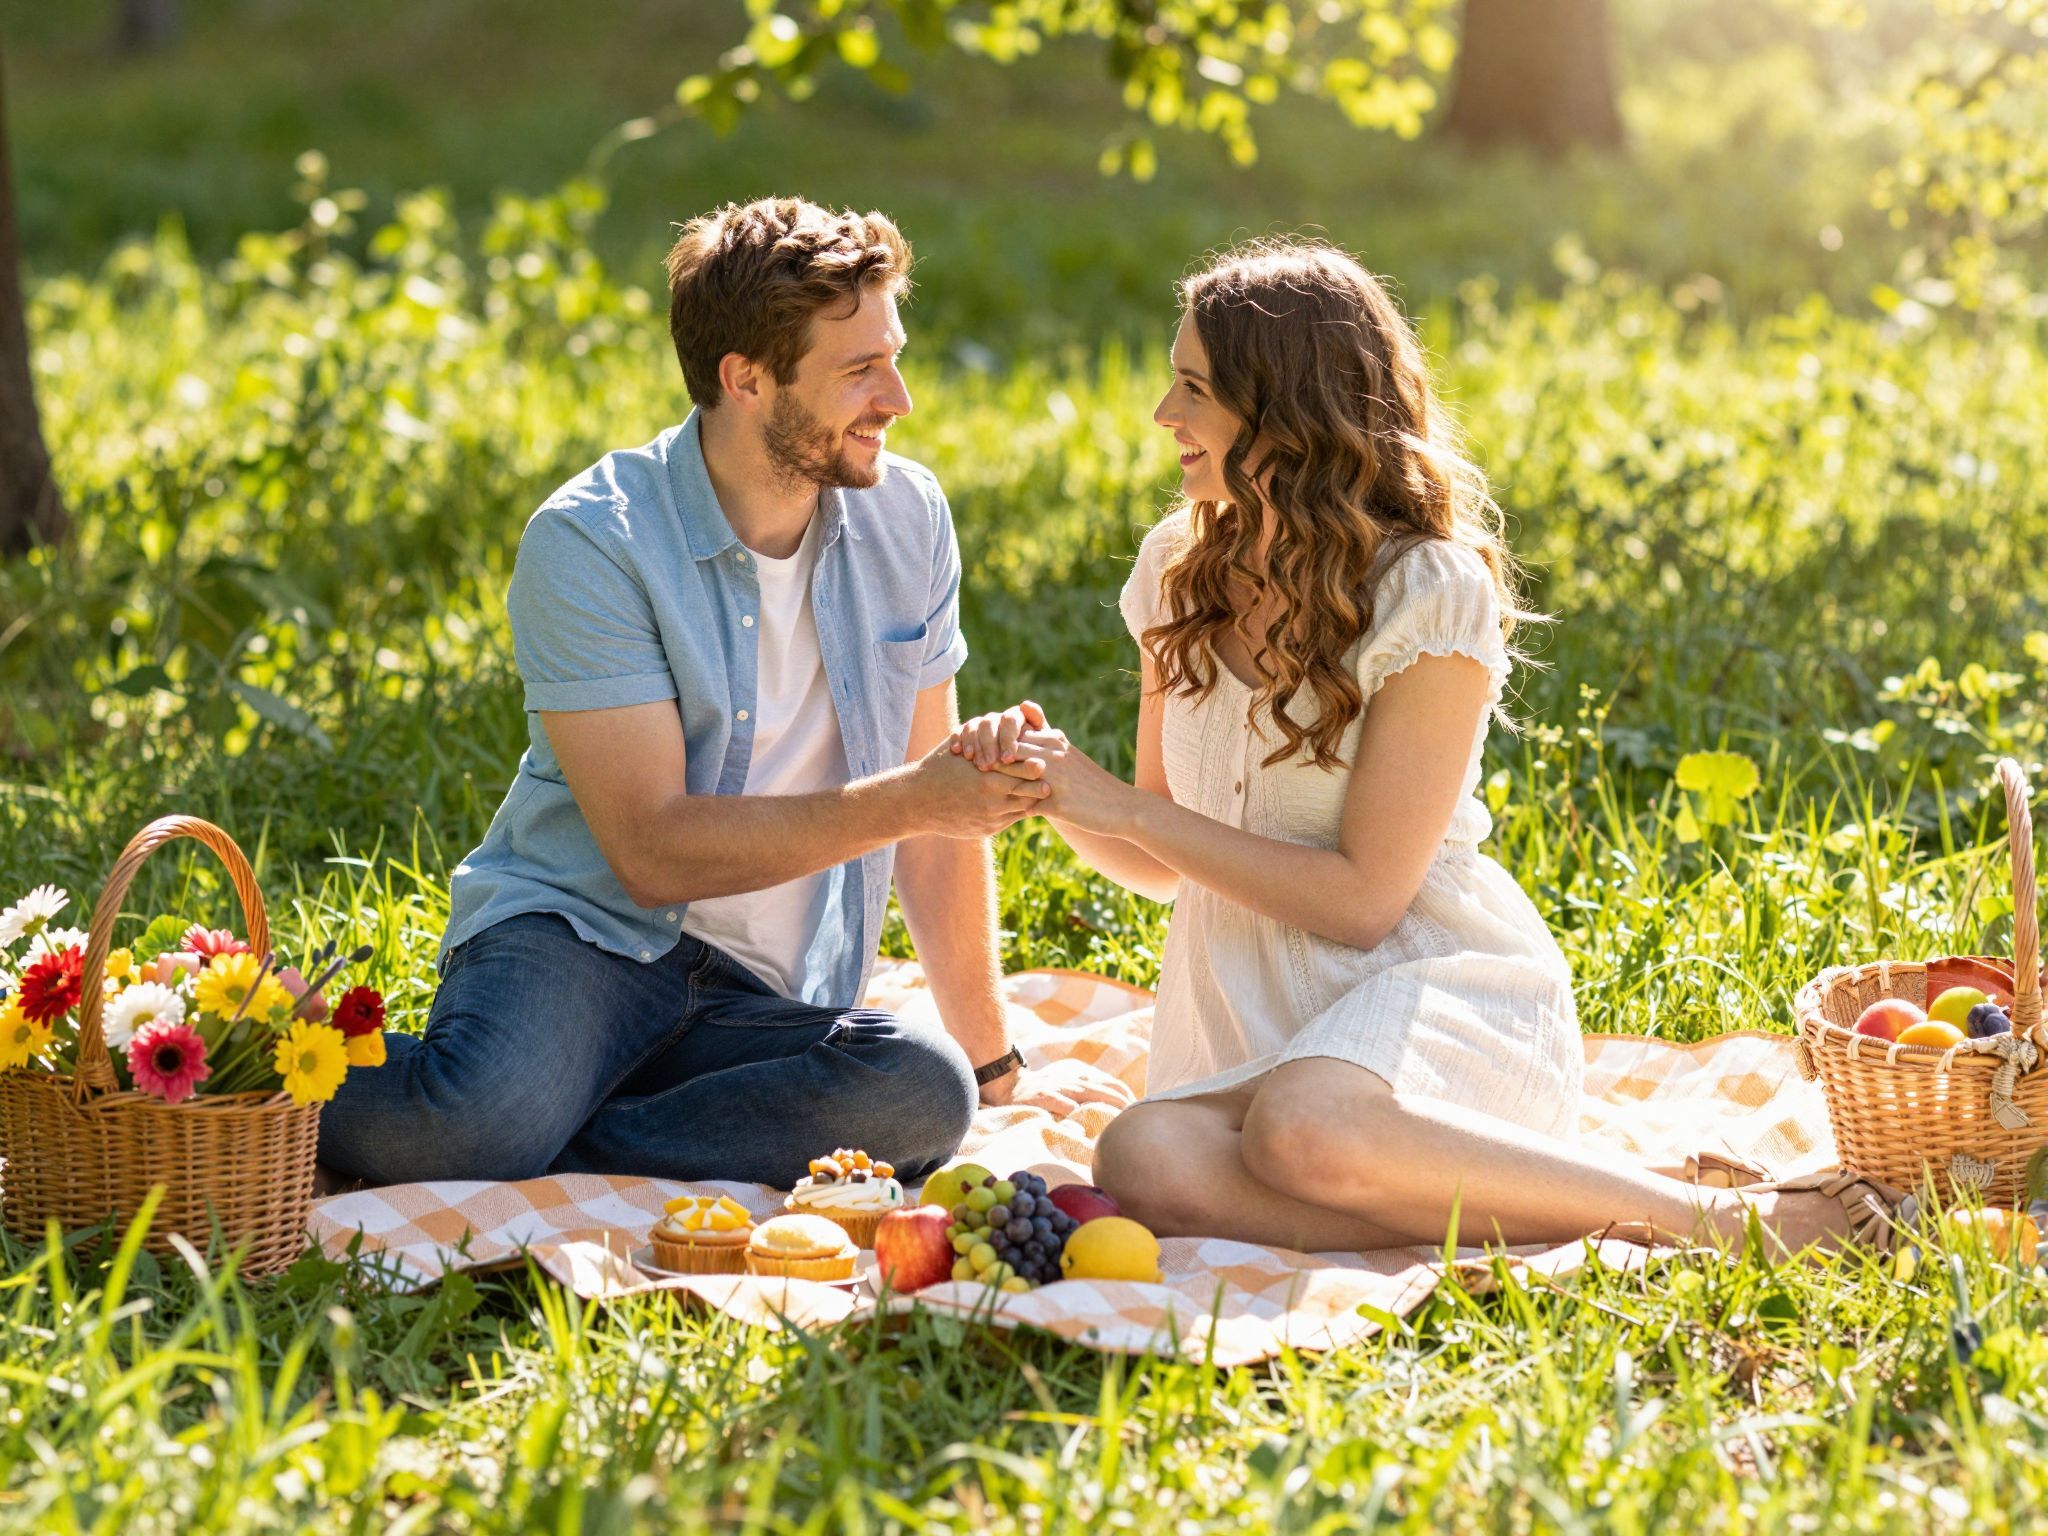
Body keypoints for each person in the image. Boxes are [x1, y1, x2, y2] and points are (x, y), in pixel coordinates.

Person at [952, 237, 1900, 1257]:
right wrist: (1051, 792)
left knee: (1305, 1127)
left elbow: (1364, 903)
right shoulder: (1178, 568)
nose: (1162, 415)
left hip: (1429, 1000)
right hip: (1246, 1027)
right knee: (1138, 1154)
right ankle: (1546, 1200)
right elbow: (1160, 856)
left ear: (1285, 412)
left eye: (1194, 389)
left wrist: (1127, 808)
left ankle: (1719, 1222)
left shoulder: (1427, 590)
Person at [319, 197, 1053, 1190]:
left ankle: (560, 1139)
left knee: (920, 1092)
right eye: (859, 370)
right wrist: (916, 798)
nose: (899, 399)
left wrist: (992, 1062)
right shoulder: (593, 540)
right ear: (744, 379)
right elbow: (652, 854)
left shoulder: (908, 516)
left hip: (758, 995)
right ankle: (222, 1052)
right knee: (463, 1127)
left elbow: (935, 833)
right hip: (580, 941)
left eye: (894, 356)